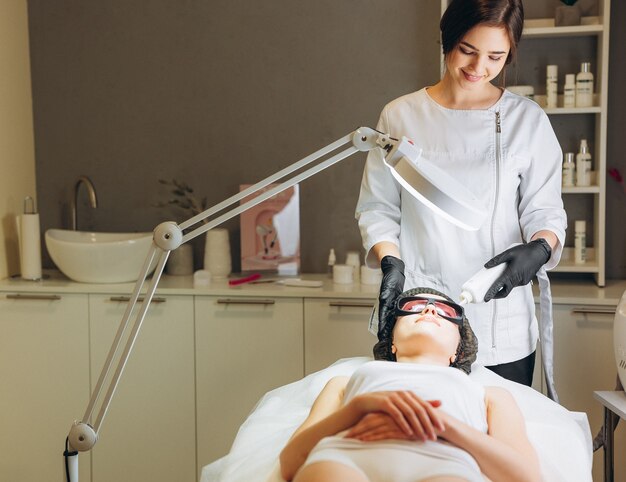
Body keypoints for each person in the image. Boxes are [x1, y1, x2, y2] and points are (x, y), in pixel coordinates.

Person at [355, 0, 566, 387]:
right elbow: (377, 209)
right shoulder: (400, 116)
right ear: (447, 38)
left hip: (501, 321)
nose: (478, 67)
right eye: (468, 50)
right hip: (419, 317)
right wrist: (390, 263)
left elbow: (546, 212)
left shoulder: (527, 121)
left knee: (496, 436)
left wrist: (538, 248)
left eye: (495, 56)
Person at [279, 287, 542, 482]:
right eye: (414, 306)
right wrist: (358, 407)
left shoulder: (490, 394)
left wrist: (442, 424)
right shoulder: (344, 382)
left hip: (445, 465)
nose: (429, 310)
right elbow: (290, 462)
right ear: (391, 340)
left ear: (458, 351)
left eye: (445, 312)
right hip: (344, 457)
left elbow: (526, 477)